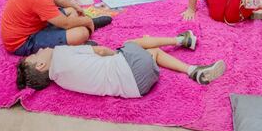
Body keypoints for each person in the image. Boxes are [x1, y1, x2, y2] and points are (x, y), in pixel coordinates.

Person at [16, 31, 226, 97]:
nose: (38, 50)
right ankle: (181, 42)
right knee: (133, 43)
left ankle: (195, 71)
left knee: (151, 53)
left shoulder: (61, 81)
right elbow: (100, 51)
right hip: (132, 68)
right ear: (41, 65)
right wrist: (118, 52)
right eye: (36, 55)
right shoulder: (60, 53)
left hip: (138, 88)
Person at [2, 0, 106, 56]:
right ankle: (79, 37)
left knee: (71, 10)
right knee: (82, 33)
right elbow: (66, 24)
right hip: (22, 42)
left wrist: (75, 6)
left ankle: (73, 32)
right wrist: (87, 20)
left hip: (35, 24)